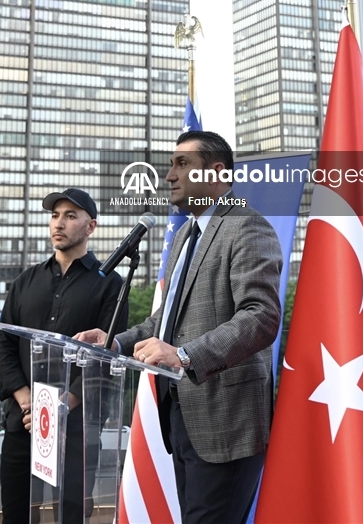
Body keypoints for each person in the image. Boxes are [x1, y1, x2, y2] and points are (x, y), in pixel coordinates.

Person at [77, 130, 282, 524]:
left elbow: (261, 316)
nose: (169, 175)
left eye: (182, 164)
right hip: (182, 413)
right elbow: (165, 321)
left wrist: (185, 355)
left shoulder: (246, 227)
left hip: (227, 421)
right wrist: (115, 343)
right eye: (171, 164)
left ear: (216, 172)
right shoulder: (187, 235)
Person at [0, 187, 127, 524]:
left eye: (70, 215)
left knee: (70, 516)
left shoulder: (111, 284)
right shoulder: (25, 281)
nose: (59, 223)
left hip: (77, 430)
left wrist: (61, 405)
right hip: (23, 423)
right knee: (17, 515)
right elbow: (6, 344)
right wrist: (28, 401)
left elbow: (106, 357)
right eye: (55, 215)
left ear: (90, 226)